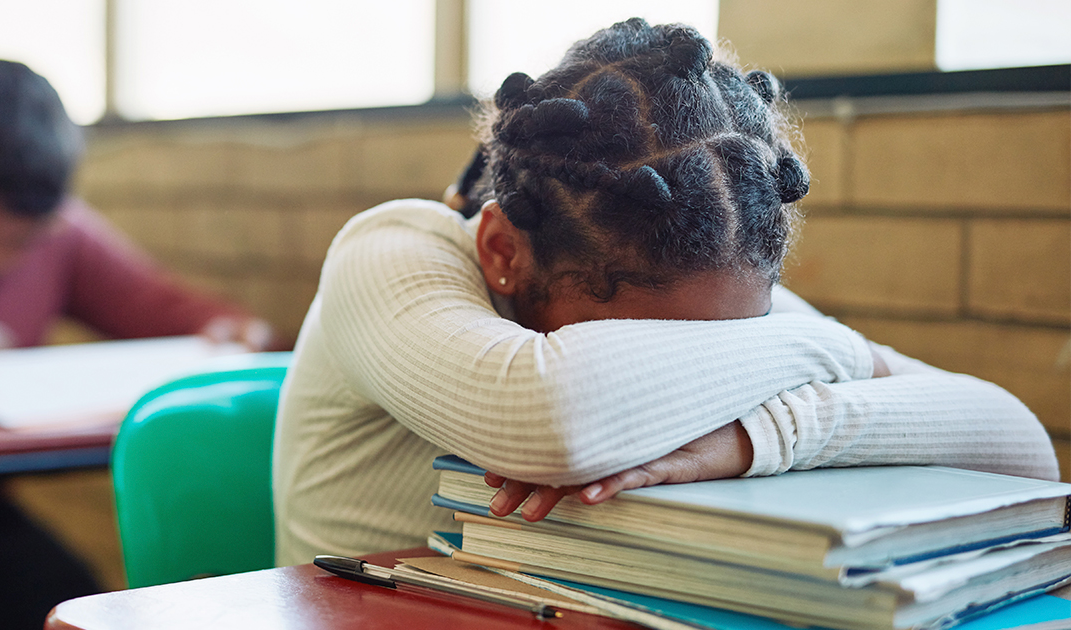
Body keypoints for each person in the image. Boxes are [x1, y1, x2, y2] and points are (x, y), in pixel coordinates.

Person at [272, 18, 1058, 567]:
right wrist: (835, 351)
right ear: (503, 250)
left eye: (731, 347)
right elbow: (556, 417)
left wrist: (762, 434)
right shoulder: (389, 250)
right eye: (641, 354)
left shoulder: (701, 274)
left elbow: (1019, 447)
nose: (705, 366)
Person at [0, 59, 285, 629]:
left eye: (21, 242)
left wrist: (234, 334)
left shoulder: (62, 234)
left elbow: (176, 310)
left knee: (71, 610)